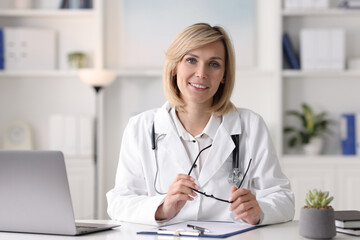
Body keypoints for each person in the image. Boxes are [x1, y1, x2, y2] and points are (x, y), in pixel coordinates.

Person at [107, 23, 295, 226]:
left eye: (214, 64)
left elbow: (283, 198)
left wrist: (259, 211)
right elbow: (120, 202)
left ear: (224, 75)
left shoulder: (251, 125)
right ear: (174, 68)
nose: (201, 73)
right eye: (191, 60)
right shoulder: (140, 127)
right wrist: (163, 208)